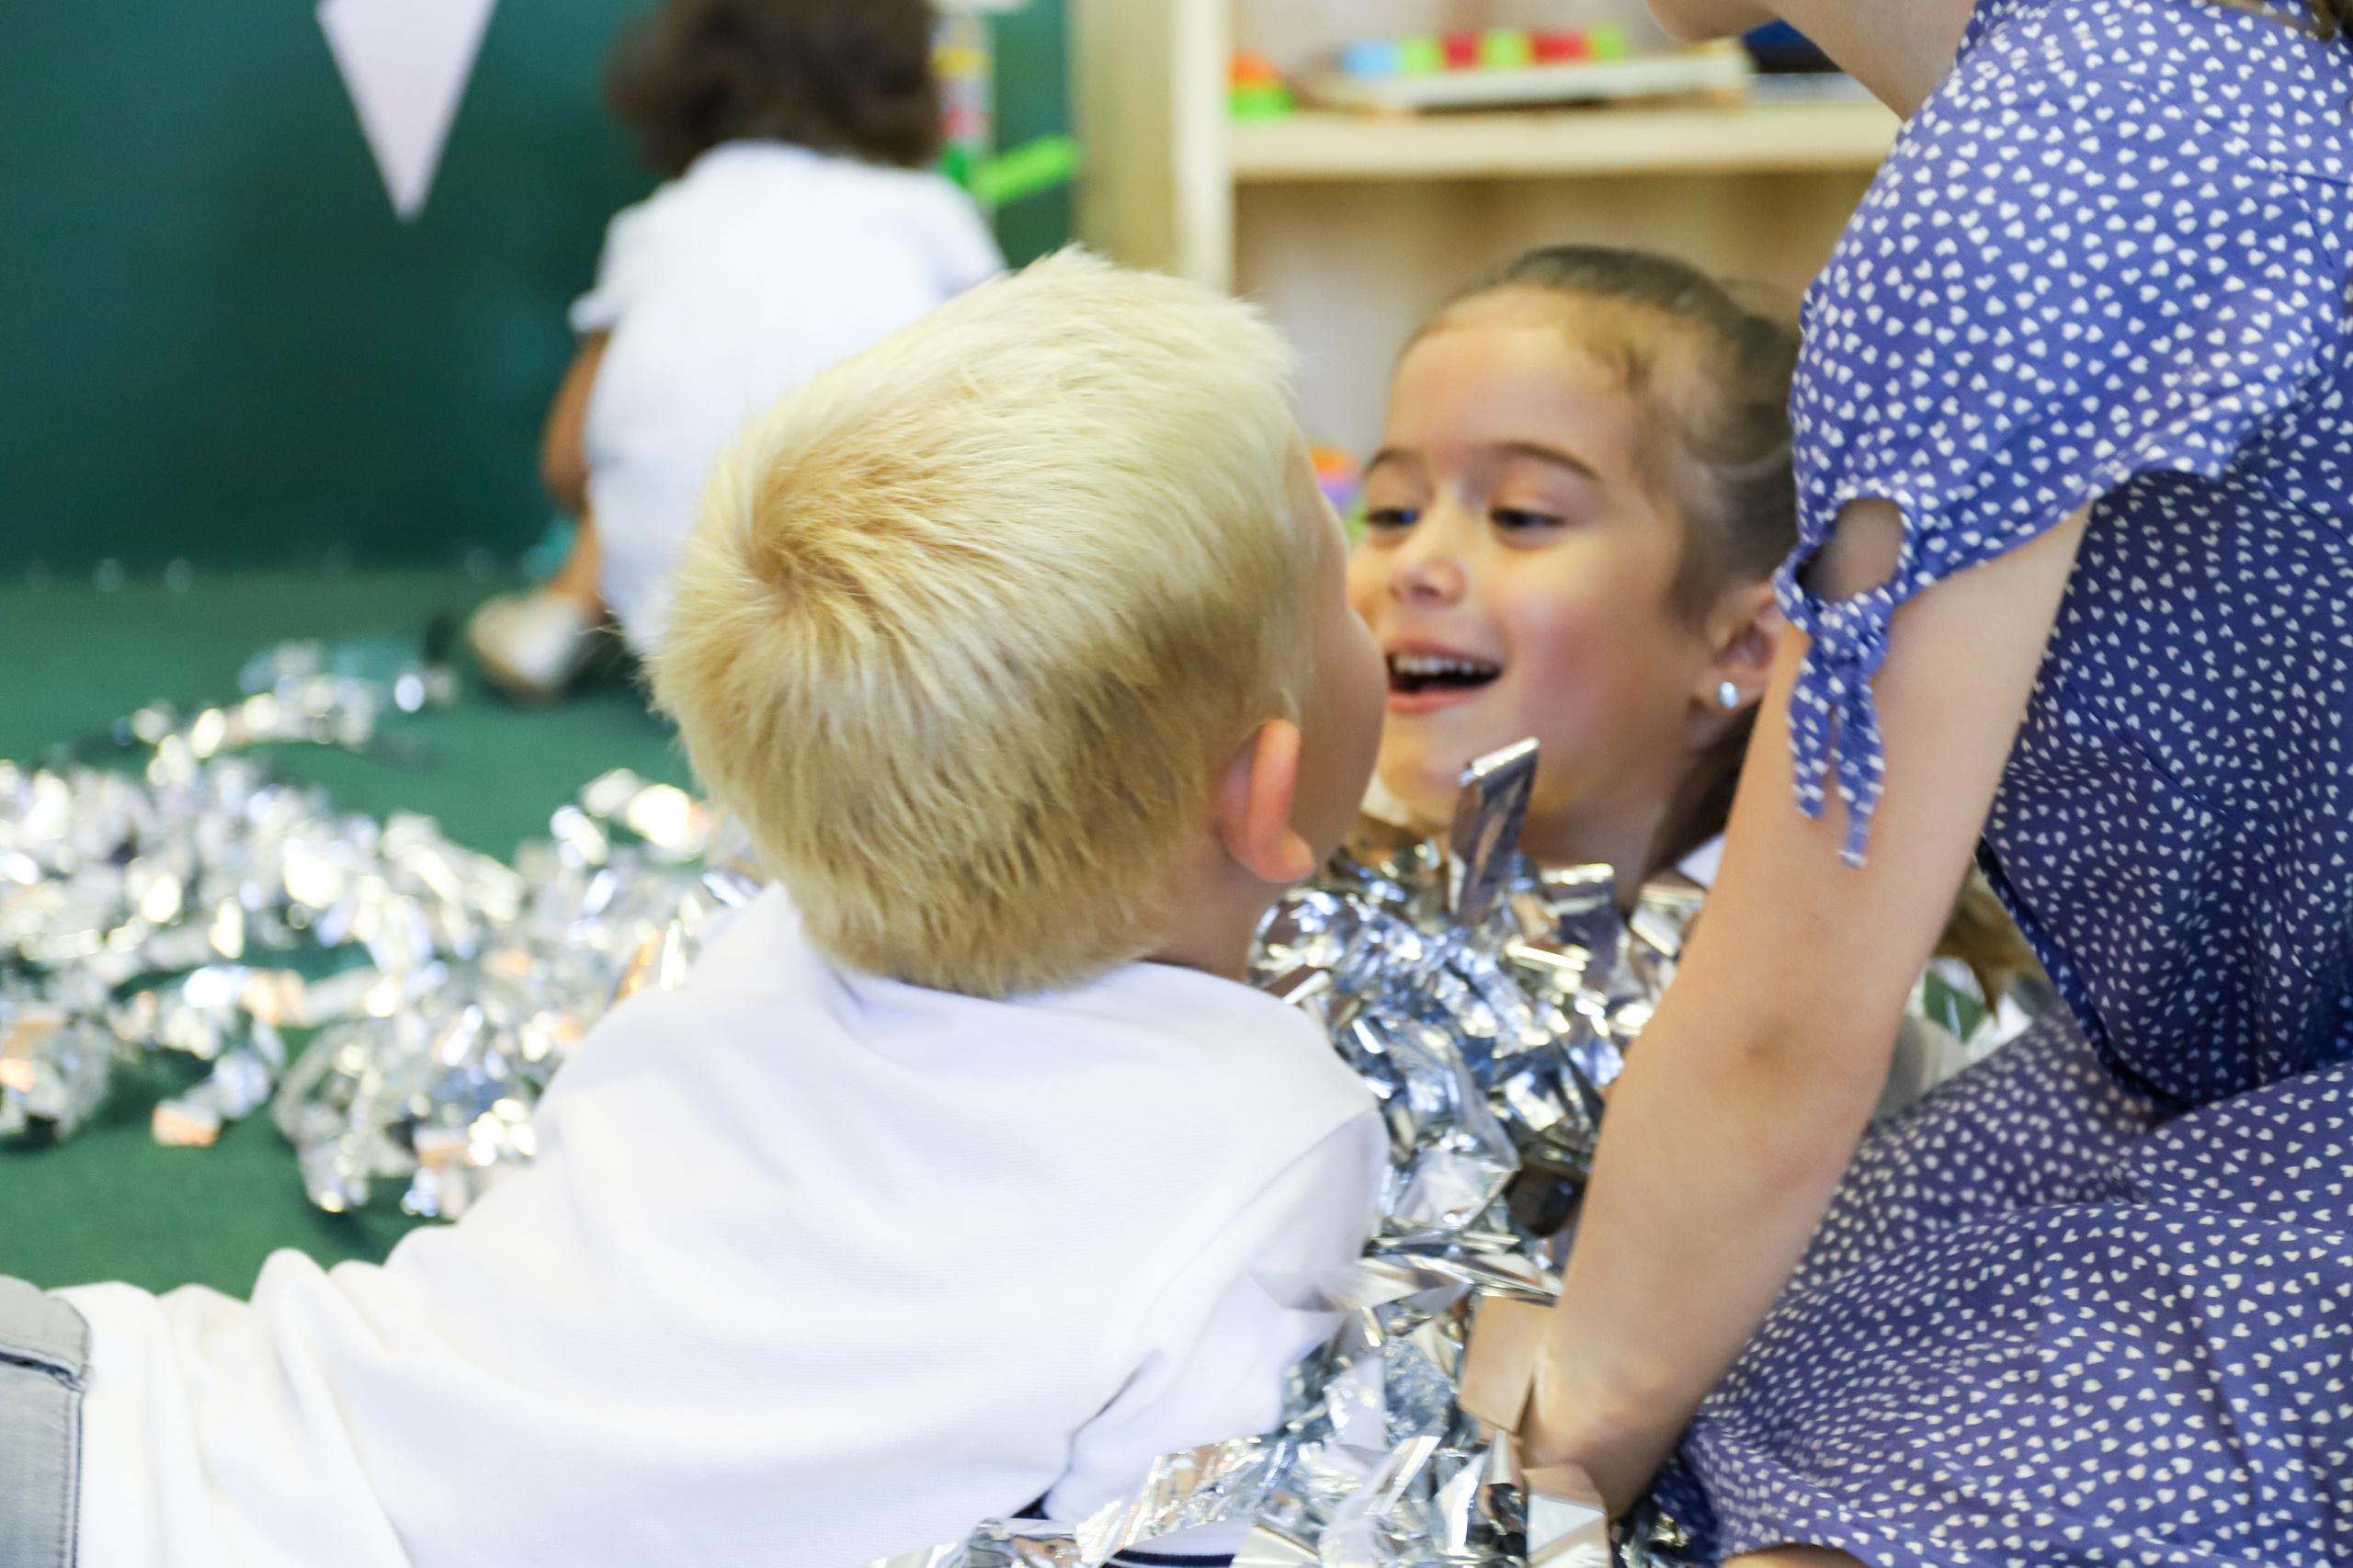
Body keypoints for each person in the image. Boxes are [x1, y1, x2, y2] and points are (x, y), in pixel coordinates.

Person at [0, 254, 1392, 1568]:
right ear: (1264, 789)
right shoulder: (1275, 1135)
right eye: (1342, 587)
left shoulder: (766, 945)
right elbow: (1168, 1517)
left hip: (121, 1399)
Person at [1491, 0, 2353, 1563]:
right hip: (2211, 1091)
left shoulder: (2054, 152)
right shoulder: (2147, 77)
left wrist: (1531, 1480)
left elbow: (1781, 1034)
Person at [1347, 244, 2040, 1097]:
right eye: (1391, 511)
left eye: (1521, 514)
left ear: (1744, 646)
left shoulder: (1893, 1029)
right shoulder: (1324, 932)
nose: (1415, 563)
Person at [467, 0, 1004, 700]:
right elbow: (1004, 400)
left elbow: (568, 461)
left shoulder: (661, 224)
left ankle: (567, 607)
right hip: (894, 640)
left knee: (649, 453)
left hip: (685, 637)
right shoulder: (931, 214)